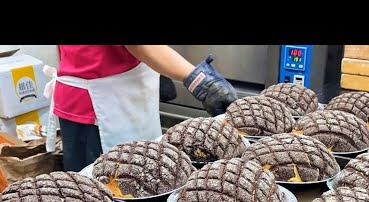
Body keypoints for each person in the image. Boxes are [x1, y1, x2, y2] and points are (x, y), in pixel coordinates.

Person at [43, 45, 237, 172]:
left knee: (143, 171)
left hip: (122, 92)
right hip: (97, 107)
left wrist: (160, 66)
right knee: (107, 188)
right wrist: (199, 80)